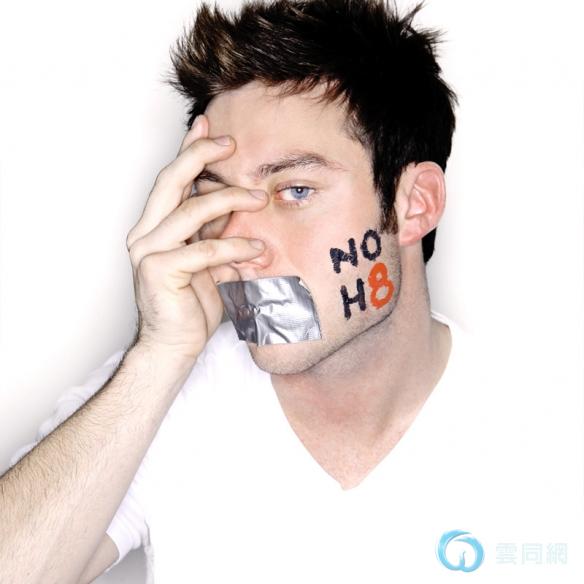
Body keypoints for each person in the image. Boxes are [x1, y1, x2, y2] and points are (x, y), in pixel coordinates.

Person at [5, 1, 576, 582]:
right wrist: (160, 355)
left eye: (296, 191)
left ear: (415, 204)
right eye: (216, 196)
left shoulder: (549, 438)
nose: (241, 246)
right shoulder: (157, 395)